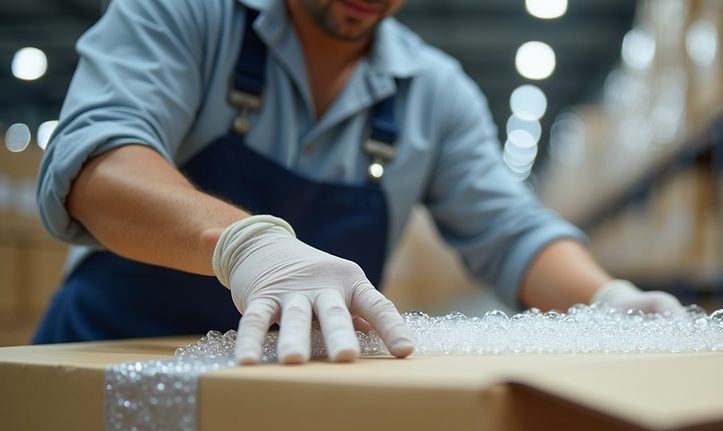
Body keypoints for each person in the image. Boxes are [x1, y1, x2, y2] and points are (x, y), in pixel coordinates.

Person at [33, 0, 685, 363]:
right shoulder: (185, 14)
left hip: (291, 395)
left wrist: (606, 299)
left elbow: (511, 231)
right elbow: (98, 163)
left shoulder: (436, 93)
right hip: (108, 368)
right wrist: (246, 244)